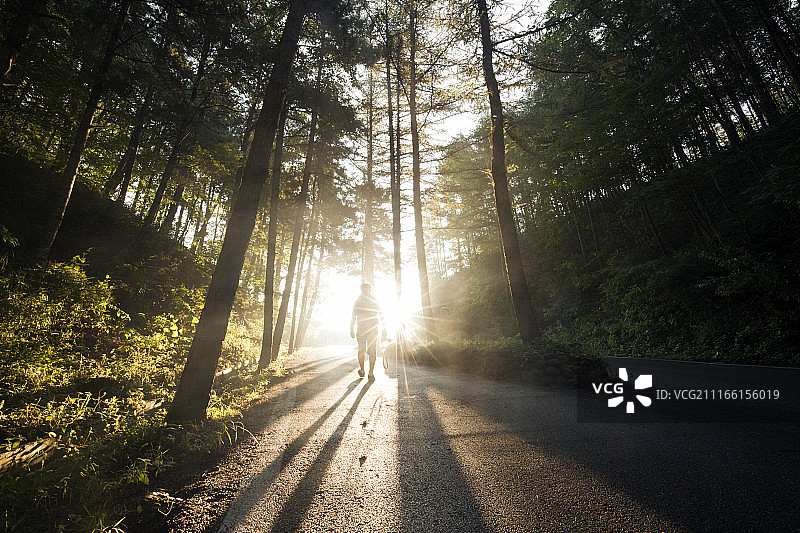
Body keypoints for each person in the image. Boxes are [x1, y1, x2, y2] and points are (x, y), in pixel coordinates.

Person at [350, 283, 384, 379]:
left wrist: (352, 328)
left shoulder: (358, 301)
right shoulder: (372, 300)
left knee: (364, 350)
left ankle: (365, 371)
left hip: (365, 329)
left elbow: (381, 315)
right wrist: (351, 328)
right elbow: (381, 315)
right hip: (369, 329)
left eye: (367, 289)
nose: (366, 291)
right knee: (369, 350)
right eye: (365, 289)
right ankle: (368, 372)